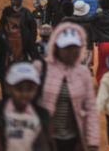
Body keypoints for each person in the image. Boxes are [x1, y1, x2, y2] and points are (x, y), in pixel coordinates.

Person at [39, 23, 100, 151]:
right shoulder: (41, 69)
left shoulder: (83, 73)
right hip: (46, 140)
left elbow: (90, 109)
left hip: (74, 140)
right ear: (56, 47)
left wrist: (92, 142)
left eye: (75, 47)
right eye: (66, 48)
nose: (71, 52)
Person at [0, 7, 40, 97]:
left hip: (22, 68)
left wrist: (38, 65)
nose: (17, 19)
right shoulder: (0, 34)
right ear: (7, 18)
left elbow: (32, 50)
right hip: (5, 69)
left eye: (18, 17)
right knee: (7, 96)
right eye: (15, 17)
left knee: (21, 95)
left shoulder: (24, 32)